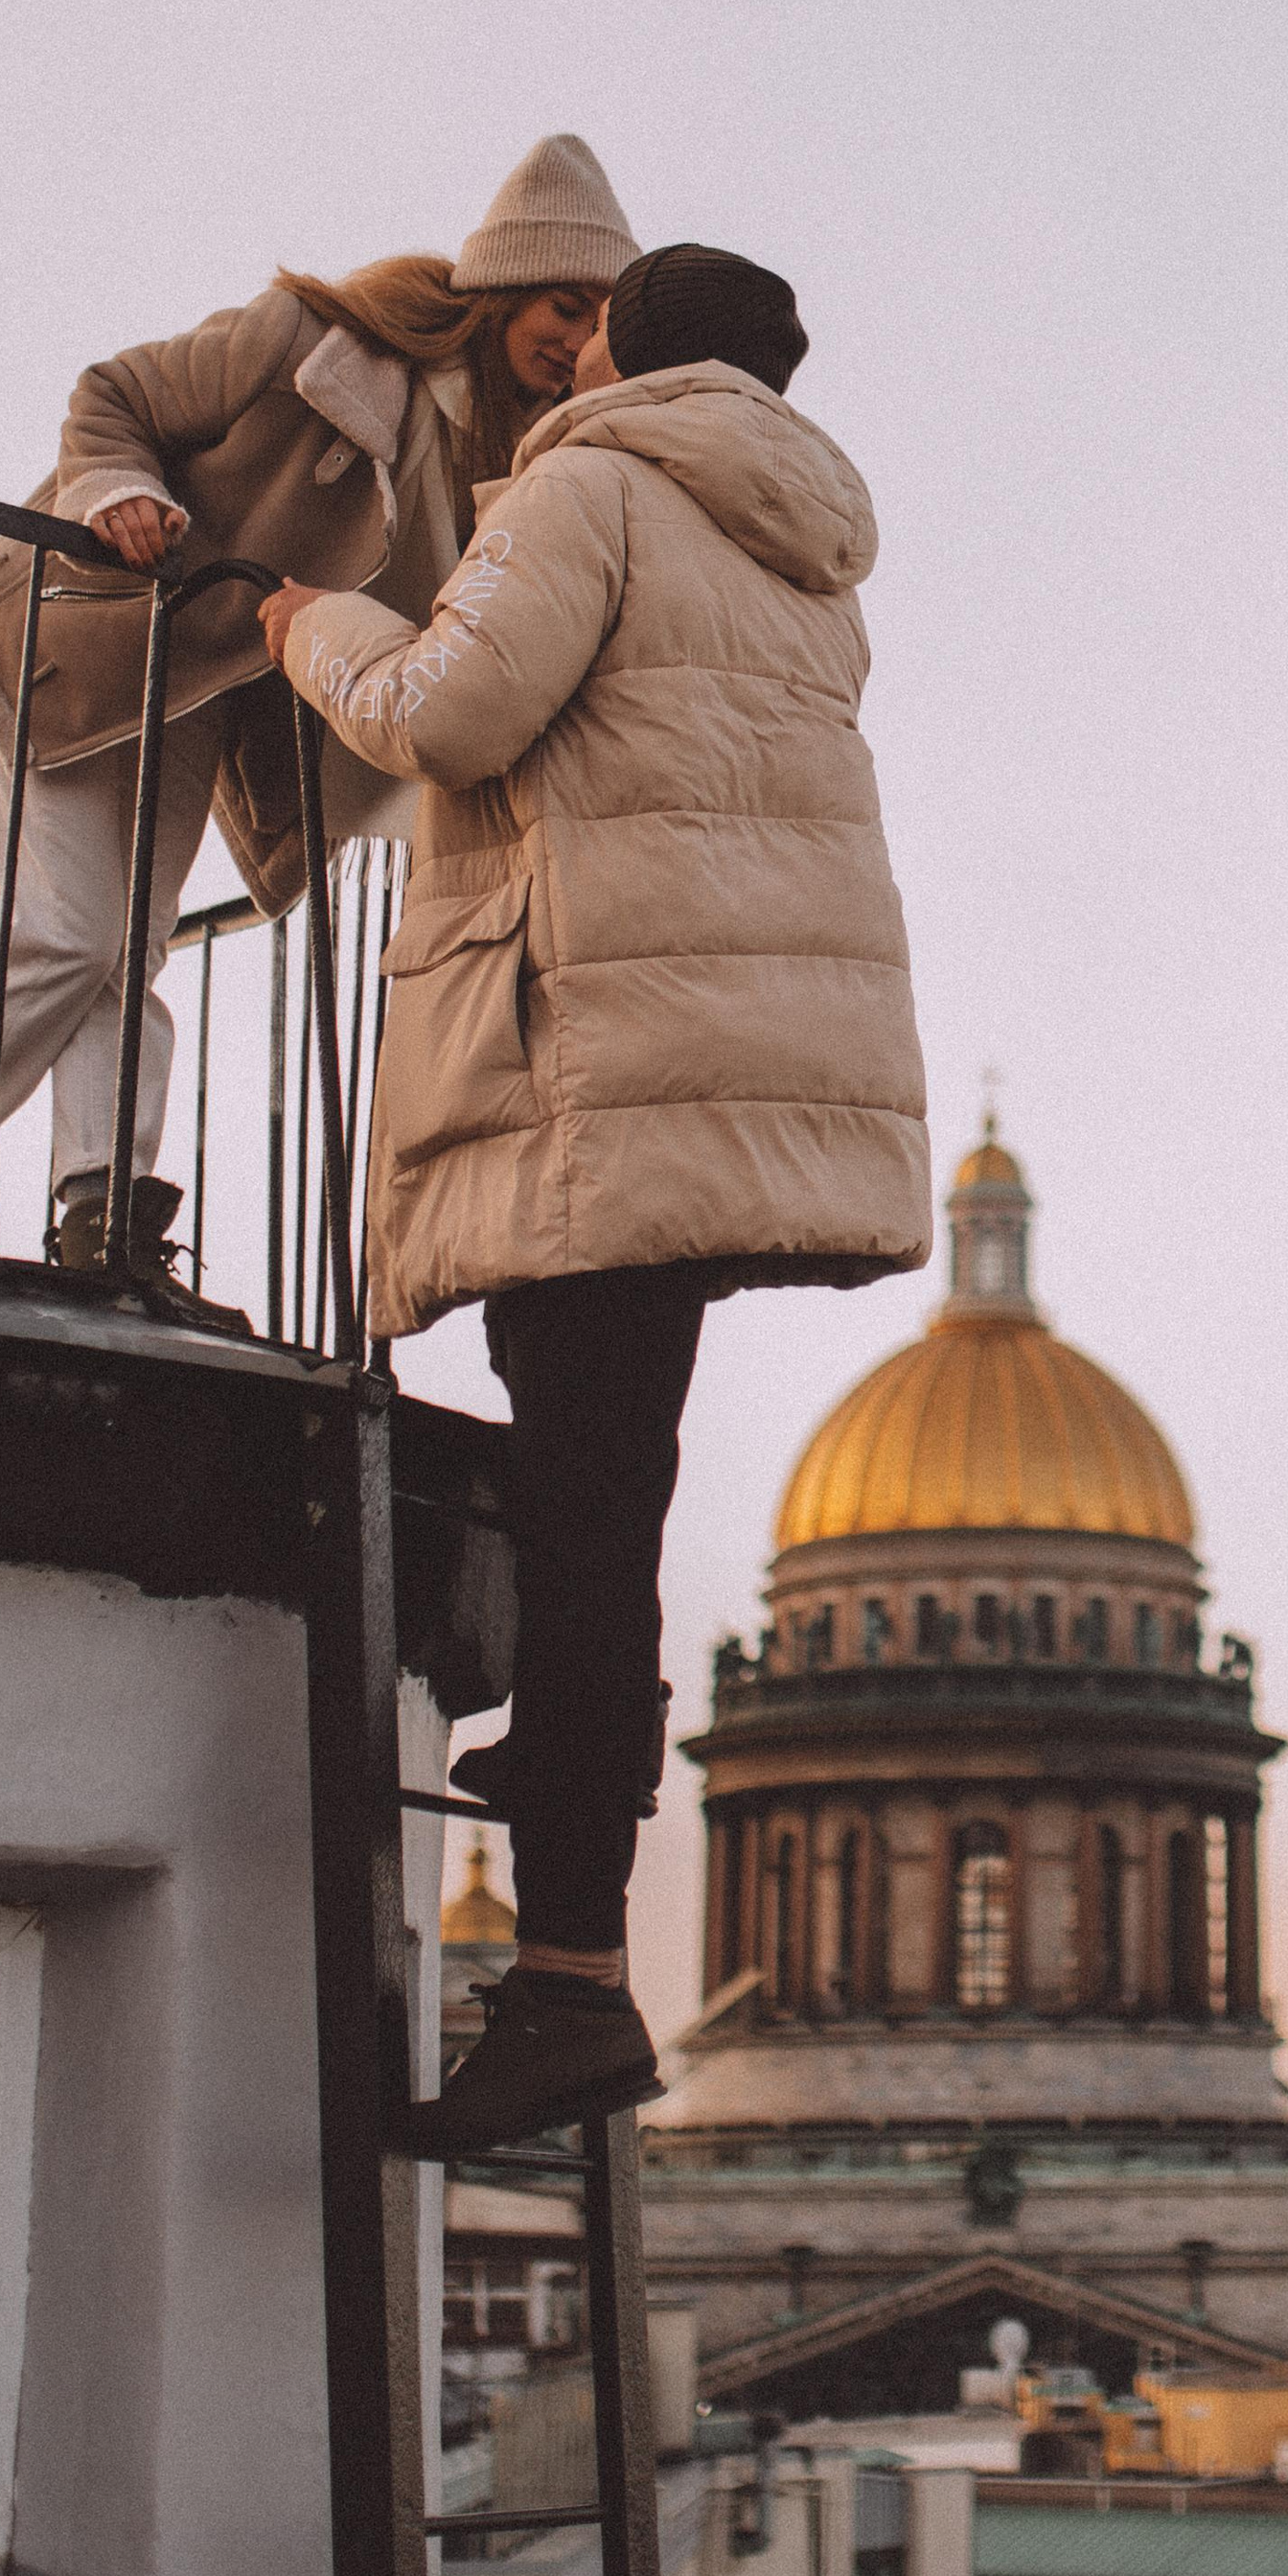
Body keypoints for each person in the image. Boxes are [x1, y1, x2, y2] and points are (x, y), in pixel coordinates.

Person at [264, 243, 931, 2153]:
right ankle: (566, 1833)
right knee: (602, 1493)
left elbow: (442, 718)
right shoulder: (807, 554)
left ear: (633, 350)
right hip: (731, 1076)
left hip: (595, 1071)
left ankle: (564, 1967)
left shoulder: (593, 482)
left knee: (584, 1513)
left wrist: (309, 620)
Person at [0, 135, 638, 1303]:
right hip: (82, 643)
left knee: (120, 949)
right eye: (561, 301)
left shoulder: (507, 457)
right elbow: (116, 397)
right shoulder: (312, 343)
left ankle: (103, 1220)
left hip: (195, 692)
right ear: (501, 288)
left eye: (598, 321)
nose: (573, 334)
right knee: (70, 935)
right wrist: (118, 491)